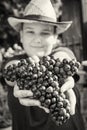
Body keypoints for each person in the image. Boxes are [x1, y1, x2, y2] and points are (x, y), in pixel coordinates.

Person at [2, 0, 85, 130]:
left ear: (55, 37)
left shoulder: (62, 53)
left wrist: (57, 67)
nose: (38, 39)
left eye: (45, 33)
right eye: (30, 31)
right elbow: (10, 70)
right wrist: (24, 71)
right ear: (21, 36)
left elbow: (63, 57)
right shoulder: (14, 61)